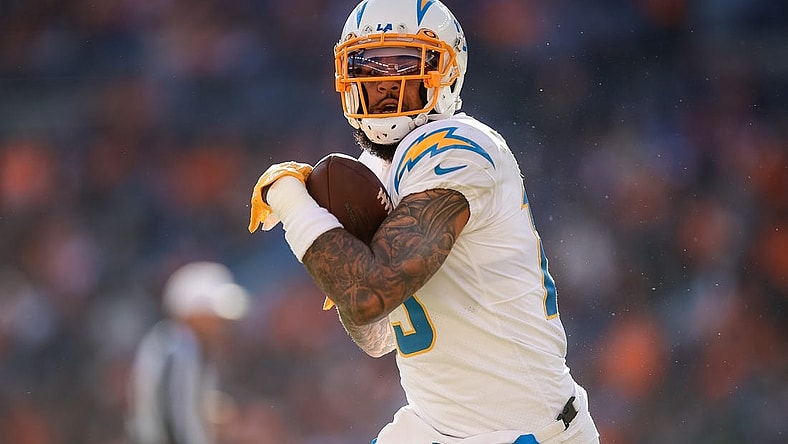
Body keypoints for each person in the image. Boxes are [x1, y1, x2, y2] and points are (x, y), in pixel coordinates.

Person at [247, 0, 601, 442]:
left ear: (447, 71)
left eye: (404, 62)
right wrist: (343, 257)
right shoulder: (375, 172)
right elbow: (377, 336)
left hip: (523, 432)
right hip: (434, 426)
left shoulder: (459, 147)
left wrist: (291, 203)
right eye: (368, 65)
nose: (384, 81)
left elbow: (369, 295)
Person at [126, 261, 249, 444]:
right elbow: (171, 418)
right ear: (193, 315)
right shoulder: (174, 347)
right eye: (213, 317)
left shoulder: (188, 348)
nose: (221, 326)